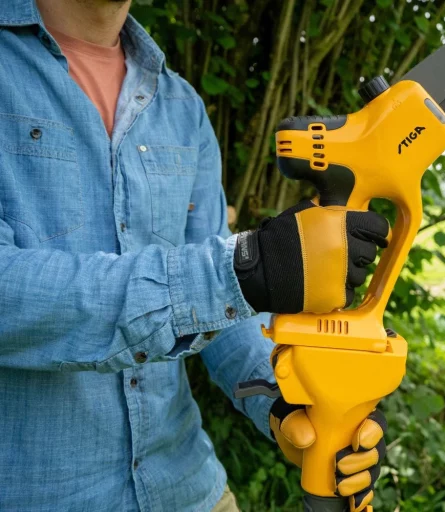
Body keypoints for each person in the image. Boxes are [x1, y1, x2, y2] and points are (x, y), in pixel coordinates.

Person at [0, 1, 389, 511]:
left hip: (191, 491)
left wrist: (289, 400)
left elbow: (223, 315)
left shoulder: (181, 107)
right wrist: (244, 269)